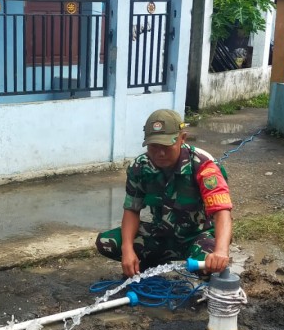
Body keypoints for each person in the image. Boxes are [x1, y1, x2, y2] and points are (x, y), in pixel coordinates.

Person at [96, 109, 233, 276]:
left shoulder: (204, 166)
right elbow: (132, 210)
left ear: (183, 138)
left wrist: (220, 251)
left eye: (167, 146)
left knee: (210, 266)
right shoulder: (140, 167)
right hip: (161, 235)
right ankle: (151, 262)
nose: (160, 153)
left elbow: (221, 212)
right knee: (107, 242)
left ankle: (203, 261)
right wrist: (127, 250)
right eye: (154, 146)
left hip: (197, 237)